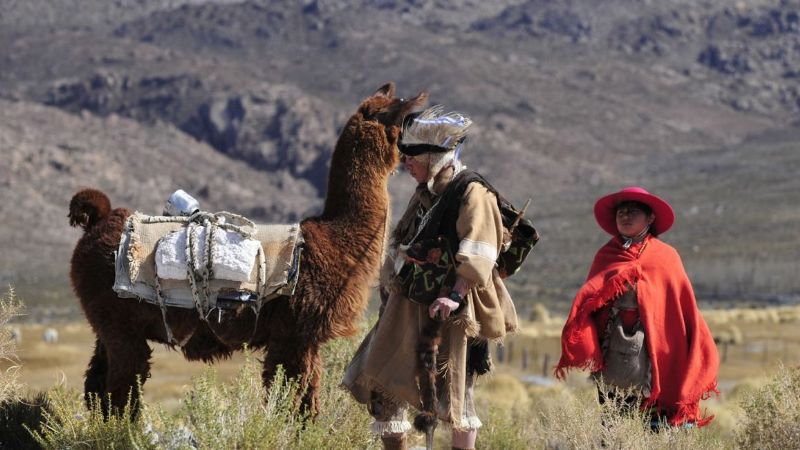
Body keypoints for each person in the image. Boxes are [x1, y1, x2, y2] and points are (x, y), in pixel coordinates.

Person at [342, 106, 518, 450]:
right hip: (409, 302)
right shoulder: (425, 193)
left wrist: (455, 293)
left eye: (412, 158)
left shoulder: (473, 192)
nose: (406, 165)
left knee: (455, 395)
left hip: (456, 308)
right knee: (386, 384)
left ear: (434, 157)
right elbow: (404, 241)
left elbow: (480, 248)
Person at [556, 186, 719, 429]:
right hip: (616, 352)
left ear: (650, 218)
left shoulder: (666, 257)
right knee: (614, 424)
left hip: (659, 353)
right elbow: (589, 302)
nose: (625, 216)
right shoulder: (607, 254)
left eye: (633, 211)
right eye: (621, 212)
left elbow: (679, 306)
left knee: (655, 425)